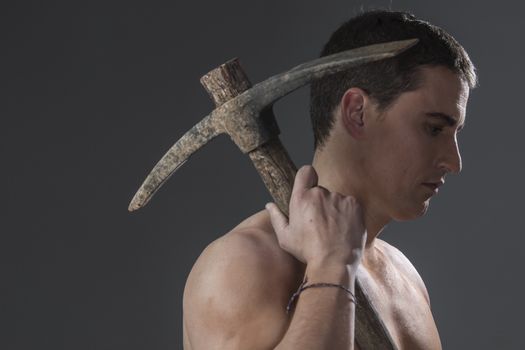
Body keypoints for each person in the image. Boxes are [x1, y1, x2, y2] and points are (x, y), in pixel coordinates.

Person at [182, 10, 476, 350]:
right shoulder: (239, 266)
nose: (453, 162)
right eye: (434, 128)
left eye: (455, 133)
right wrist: (330, 270)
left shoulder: (403, 276)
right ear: (357, 112)